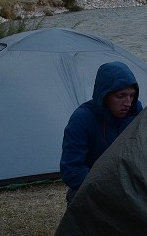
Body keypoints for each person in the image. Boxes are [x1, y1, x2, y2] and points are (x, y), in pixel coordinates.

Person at [60, 60, 142, 203]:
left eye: (132, 95)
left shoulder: (135, 113)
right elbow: (71, 171)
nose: (128, 103)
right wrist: (110, 184)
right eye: (121, 96)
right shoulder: (82, 119)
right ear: (105, 96)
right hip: (93, 185)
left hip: (128, 184)